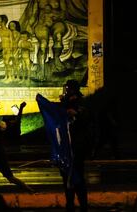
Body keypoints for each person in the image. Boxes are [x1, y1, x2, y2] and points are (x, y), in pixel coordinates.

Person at [27, 0, 68, 77]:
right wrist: (30, 24)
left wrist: (57, 17)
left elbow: (64, 12)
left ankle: (57, 59)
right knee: (43, 44)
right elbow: (34, 13)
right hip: (42, 23)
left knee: (58, 36)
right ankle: (41, 69)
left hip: (56, 22)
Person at [59, 79, 89, 212]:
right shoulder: (68, 102)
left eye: (68, 88)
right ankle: (70, 204)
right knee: (67, 177)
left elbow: (84, 119)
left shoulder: (79, 102)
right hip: (67, 146)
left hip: (76, 146)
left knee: (77, 176)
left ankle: (82, 205)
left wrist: (75, 113)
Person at [0, 15, 13, 82]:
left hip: (8, 49)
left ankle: (10, 77)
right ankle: (6, 76)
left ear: (3, 21)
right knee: (5, 63)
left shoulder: (9, 31)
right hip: (3, 49)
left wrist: (11, 50)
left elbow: (11, 41)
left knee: (7, 63)